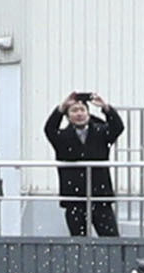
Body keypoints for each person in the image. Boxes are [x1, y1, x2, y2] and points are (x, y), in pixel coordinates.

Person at [44, 92, 123, 237]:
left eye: (82, 110)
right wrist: (61, 108)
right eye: (74, 110)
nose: (79, 114)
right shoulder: (62, 137)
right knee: (79, 243)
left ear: (88, 113)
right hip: (74, 198)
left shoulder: (101, 132)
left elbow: (118, 127)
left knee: (111, 240)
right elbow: (49, 129)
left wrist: (105, 108)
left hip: (100, 197)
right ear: (68, 116)